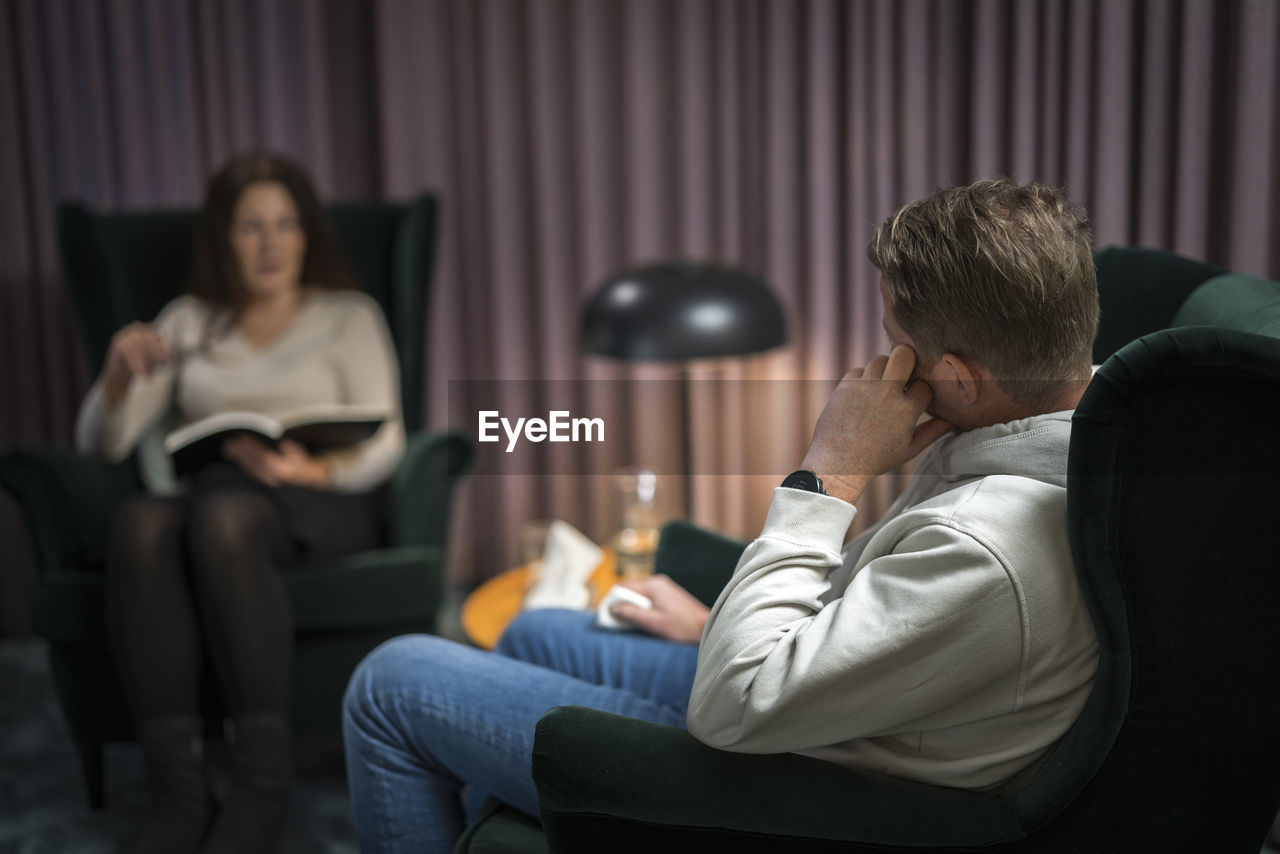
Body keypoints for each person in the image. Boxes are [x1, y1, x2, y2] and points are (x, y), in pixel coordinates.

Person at [341, 177, 1101, 852]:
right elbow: (889, 632)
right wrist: (713, 626)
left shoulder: (986, 546)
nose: (878, 371)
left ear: (961, 379)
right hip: (837, 708)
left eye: (895, 347)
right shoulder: (1060, 431)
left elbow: (734, 707)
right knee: (534, 627)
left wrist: (830, 472)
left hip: (803, 775)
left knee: (389, 680)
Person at [75, 150, 405, 854]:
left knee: (222, 520)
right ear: (224, 237)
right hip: (211, 495)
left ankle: (262, 790)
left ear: (306, 232)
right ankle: (178, 794)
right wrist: (114, 381)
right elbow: (105, 444)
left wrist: (315, 472)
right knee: (139, 522)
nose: (270, 243)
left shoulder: (349, 315)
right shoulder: (189, 321)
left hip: (319, 501)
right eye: (251, 226)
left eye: (285, 224)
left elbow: (389, 440)